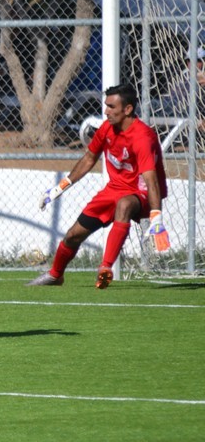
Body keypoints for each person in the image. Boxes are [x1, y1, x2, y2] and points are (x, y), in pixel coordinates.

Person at [28, 83, 169, 289]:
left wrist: (156, 215)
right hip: (113, 190)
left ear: (128, 109)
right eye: (106, 106)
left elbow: (151, 180)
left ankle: (105, 268)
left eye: (111, 107)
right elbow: (88, 159)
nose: (106, 111)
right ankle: (55, 275)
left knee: (124, 205)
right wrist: (59, 188)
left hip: (142, 193)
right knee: (73, 235)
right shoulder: (106, 129)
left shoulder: (142, 137)